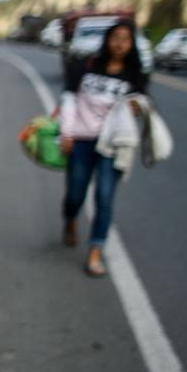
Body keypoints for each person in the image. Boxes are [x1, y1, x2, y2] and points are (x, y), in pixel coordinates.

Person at [58, 19, 148, 277]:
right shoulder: (86, 66)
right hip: (82, 140)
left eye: (125, 39)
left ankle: (96, 251)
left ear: (131, 44)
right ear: (108, 39)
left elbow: (142, 105)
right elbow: (69, 99)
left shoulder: (135, 75)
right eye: (115, 37)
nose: (119, 43)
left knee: (104, 197)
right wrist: (67, 132)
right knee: (75, 193)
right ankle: (70, 219)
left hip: (112, 144)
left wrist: (137, 107)